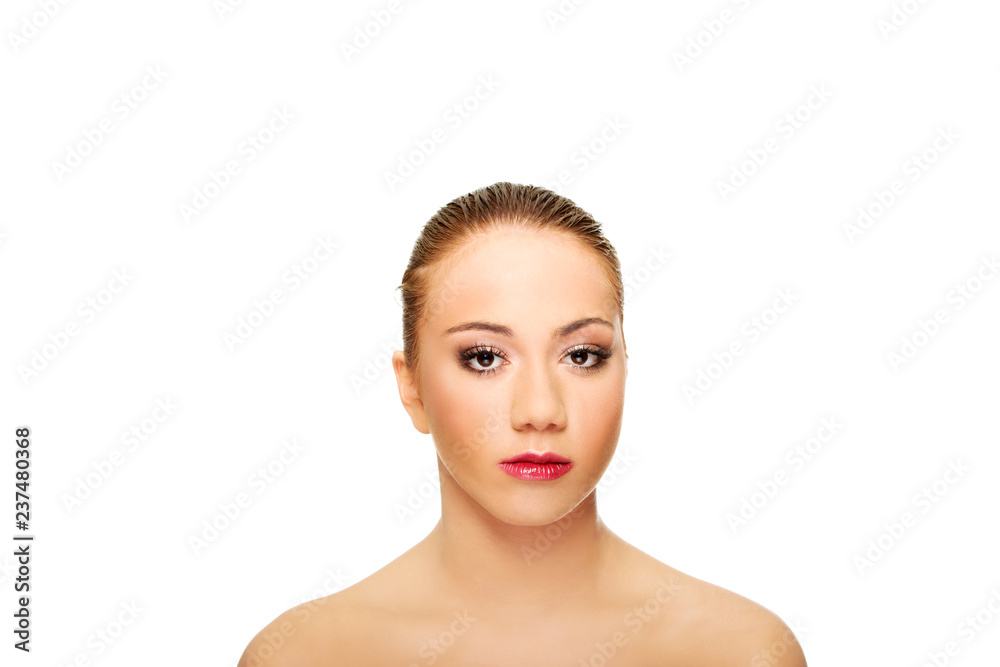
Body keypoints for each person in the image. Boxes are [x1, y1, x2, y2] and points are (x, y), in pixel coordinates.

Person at [237, 182, 807, 666]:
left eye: (581, 355)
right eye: (485, 357)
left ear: (625, 368)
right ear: (411, 387)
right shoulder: (303, 655)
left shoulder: (740, 651)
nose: (540, 410)